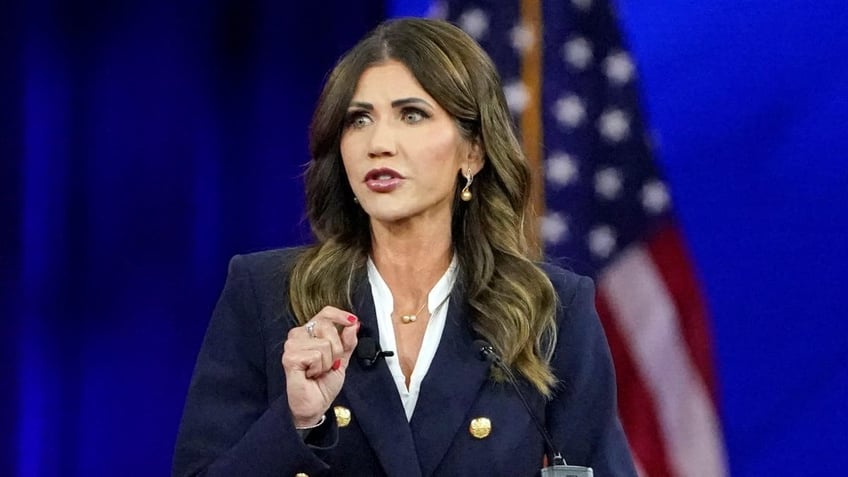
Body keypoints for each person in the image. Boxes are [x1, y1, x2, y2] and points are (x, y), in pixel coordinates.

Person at [172, 17, 637, 477]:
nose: (379, 143)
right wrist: (297, 420)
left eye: (411, 114)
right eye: (359, 120)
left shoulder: (550, 309)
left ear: (472, 151)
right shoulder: (266, 296)